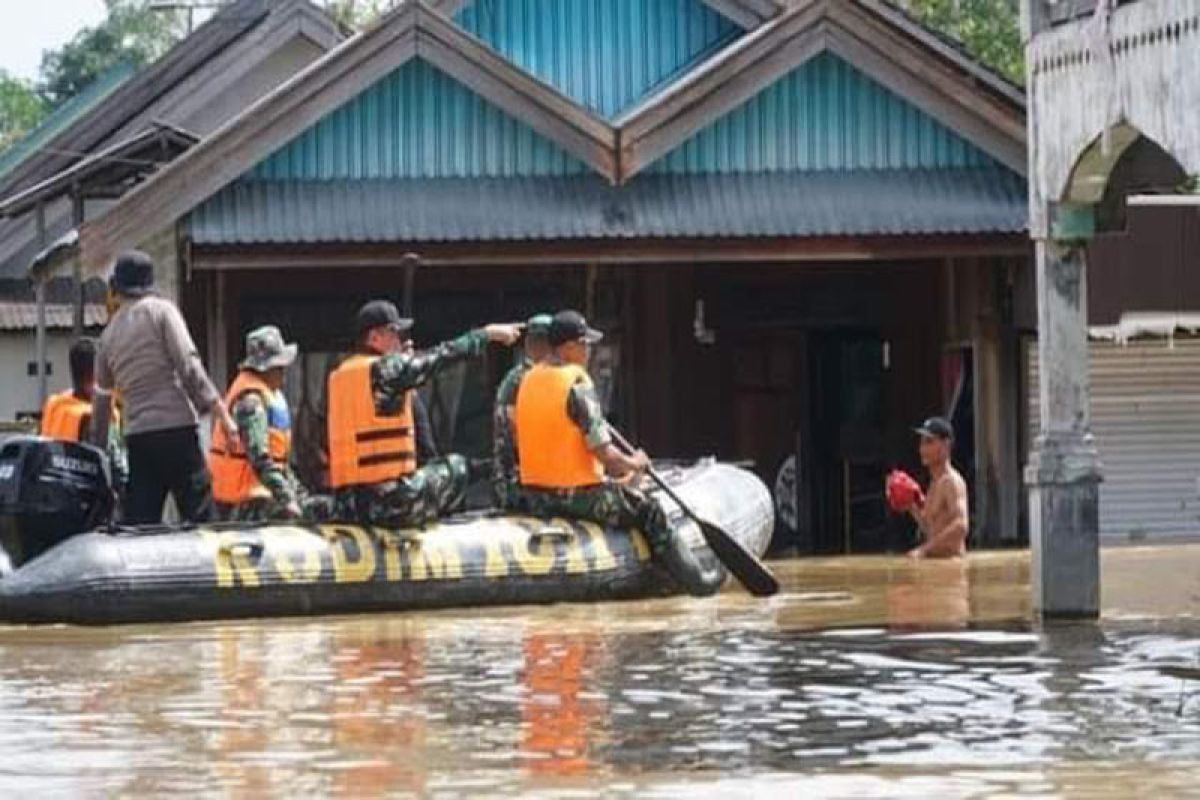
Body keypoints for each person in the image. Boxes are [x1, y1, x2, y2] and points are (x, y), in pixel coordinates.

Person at [512, 310, 721, 596]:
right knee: (648, 509)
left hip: (534, 496)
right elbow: (605, 454)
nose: (589, 351)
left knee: (625, 489)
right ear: (569, 347)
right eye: (585, 344)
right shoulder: (577, 385)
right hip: (575, 496)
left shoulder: (528, 379)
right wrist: (635, 463)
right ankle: (698, 581)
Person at [327, 299, 521, 527]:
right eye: (393, 333)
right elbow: (440, 358)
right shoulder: (384, 370)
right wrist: (485, 335)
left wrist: (403, 364)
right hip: (389, 504)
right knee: (457, 467)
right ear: (374, 338)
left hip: (348, 505)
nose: (398, 340)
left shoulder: (340, 375)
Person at [92, 251, 237, 525]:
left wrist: (98, 449)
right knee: (200, 514)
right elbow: (188, 366)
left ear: (117, 288)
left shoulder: (108, 336)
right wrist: (221, 413)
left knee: (141, 522)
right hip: (176, 428)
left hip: (138, 436)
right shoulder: (162, 312)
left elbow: (101, 399)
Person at [209, 326, 308, 522]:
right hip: (244, 505)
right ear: (265, 369)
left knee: (317, 508)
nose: (284, 374)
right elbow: (260, 459)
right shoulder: (251, 402)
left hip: (263, 495)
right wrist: (287, 498)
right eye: (279, 368)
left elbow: (280, 464)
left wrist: (301, 496)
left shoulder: (269, 395)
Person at [41, 337, 129, 496]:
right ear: (95, 375)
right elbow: (117, 471)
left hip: (54, 497)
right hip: (88, 504)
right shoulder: (98, 415)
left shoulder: (55, 406)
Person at [491, 313, 553, 509]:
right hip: (517, 483)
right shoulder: (523, 381)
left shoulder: (525, 377)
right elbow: (516, 436)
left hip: (522, 480)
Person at [906, 417, 970, 559]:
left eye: (929, 442)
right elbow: (931, 528)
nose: (922, 449)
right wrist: (911, 507)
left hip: (952, 567)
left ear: (946, 445)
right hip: (936, 564)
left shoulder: (951, 482)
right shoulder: (934, 484)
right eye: (921, 443)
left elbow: (961, 525)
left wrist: (924, 549)